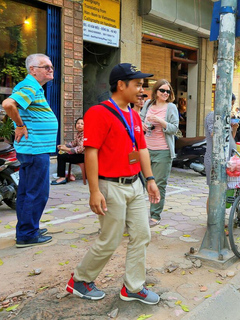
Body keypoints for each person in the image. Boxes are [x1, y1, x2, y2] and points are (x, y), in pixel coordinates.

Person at [65, 63, 161, 304]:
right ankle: (80, 280)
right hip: (111, 186)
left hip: (135, 185)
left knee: (142, 234)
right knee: (111, 238)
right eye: (137, 84)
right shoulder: (98, 113)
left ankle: (133, 286)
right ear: (121, 85)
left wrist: (150, 180)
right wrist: (94, 190)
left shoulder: (133, 114)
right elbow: (91, 152)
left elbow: (142, 149)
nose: (141, 90)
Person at [2, 53, 58, 248]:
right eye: (46, 67)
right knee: (37, 192)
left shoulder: (33, 87)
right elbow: (8, 104)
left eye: (51, 66)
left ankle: (27, 229)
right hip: (35, 149)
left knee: (26, 192)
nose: (51, 69)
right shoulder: (30, 85)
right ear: (33, 70)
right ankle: (27, 235)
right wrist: (19, 125)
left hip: (33, 149)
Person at [140, 79, 179, 227]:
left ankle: (155, 215)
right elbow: (140, 119)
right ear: (156, 91)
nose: (165, 93)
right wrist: (142, 124)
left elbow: (175, 128)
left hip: (163, 151)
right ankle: (137, 213)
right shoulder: (148, 104)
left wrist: (160, 121)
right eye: (162, 90)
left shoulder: (171, 107)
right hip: (146, 149)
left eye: (168, 91)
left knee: (159, 184)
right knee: (142, 182)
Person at [51, 117, 85, 185]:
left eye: (82, 124)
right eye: (78, 123)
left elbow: (79, 149)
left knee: (62, 157)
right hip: (79, 155)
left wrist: (66, 149)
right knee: (61, 154)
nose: (79, 125)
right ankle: (62, 176)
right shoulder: (78, 134)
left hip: (83, 156)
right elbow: (73, 143)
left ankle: (62, 178)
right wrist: (63, 146)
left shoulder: (85, 135)